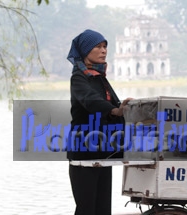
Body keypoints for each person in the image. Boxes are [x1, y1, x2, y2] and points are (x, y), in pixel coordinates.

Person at [66, 29, 132, 215]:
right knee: (86, 208)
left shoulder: (100, 78)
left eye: (105, 46)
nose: (104, 51)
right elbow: (90, 101)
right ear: (86, 50)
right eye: (98, 46)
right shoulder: (79, 77)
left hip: (103, 152)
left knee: (103, 208)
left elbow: (114, 106)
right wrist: (114, 110)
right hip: (84, 153)